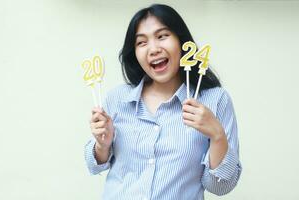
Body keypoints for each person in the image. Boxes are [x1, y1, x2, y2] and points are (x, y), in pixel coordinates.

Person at [85, 4, 242, 200]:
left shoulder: (215, 100)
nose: (153, 49)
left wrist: (217, 135)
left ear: (182, 41)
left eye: (162, 36)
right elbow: (93, 165)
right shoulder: (117, 98)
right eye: (141, 43)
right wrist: (102, 144)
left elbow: (221, 187)